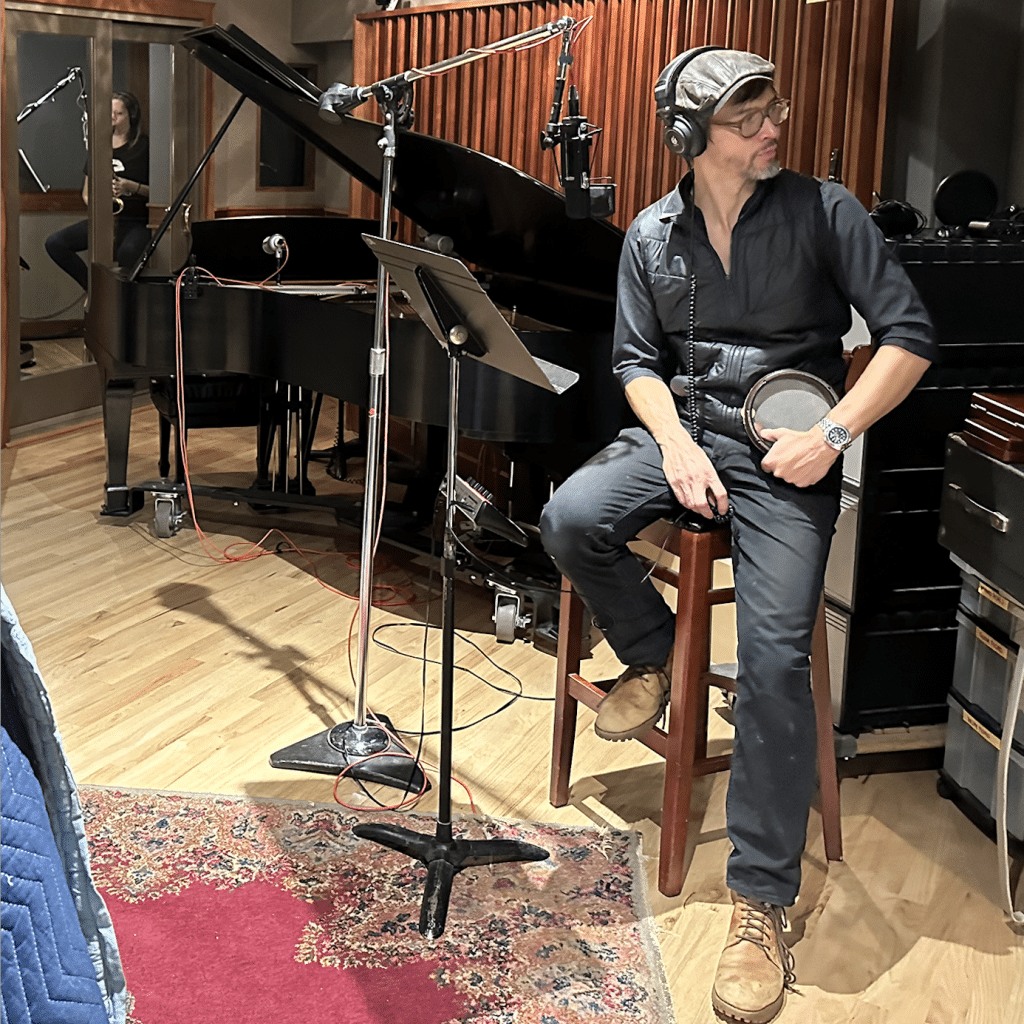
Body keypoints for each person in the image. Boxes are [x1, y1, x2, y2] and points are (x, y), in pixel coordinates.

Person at [539, 47, 937, 1024]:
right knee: (570, 516)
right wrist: (672, 443)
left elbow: (908, 336)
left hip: (792, 442)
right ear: (690, 135)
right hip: (686, 430)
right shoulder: (649, 234)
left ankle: (759, 902)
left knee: (767, 660)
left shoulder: (823, 210)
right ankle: (649, 659)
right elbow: (636, 361)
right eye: (748, 115)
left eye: (773, 107)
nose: (772, 128)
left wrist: (836, 433)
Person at [45, 92, 150, 290]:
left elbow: (158, 192)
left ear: (131, 116)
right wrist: (96, 206)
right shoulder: (100, 147)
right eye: (109, 113)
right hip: (105, 219)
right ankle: (95, 290)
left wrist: (130, 186)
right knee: (55, 244)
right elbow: (86, 192)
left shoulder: (144, 147)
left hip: (135, 220)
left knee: (127, 252)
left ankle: (124, 300)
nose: (112, 118)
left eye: (118, 113)